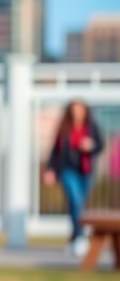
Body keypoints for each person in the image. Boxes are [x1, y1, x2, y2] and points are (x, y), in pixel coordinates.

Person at [43, 100, 104, 256]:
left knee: (77, 205)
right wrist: (50, 169)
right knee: (76, 200)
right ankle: (81, 238)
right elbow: (55, 151)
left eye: (80, 109)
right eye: (75, 109)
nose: (77, 113)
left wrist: (92, 146)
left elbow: (100, 145)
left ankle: (74, 237)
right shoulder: (64, 128)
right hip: (68, 170)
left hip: (86, 170)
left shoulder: (91, 126)